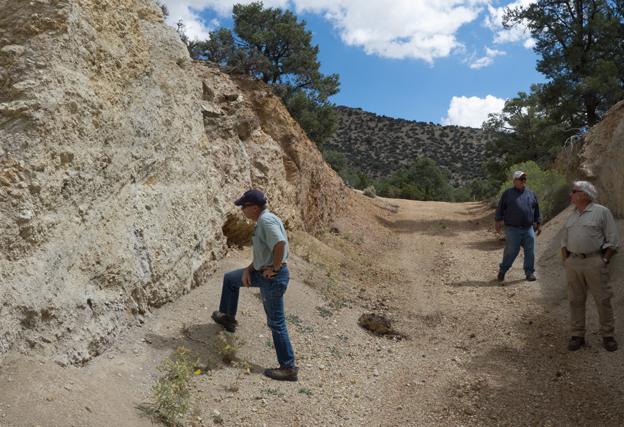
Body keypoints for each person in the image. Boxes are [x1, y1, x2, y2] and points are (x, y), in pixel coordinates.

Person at [211, 189, 298, 381]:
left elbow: (280, 244)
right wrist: (249, 269)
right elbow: (265, 251)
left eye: (244, 206)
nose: (242, 210)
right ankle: (228, 318)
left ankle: (289, 367)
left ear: (255, 207)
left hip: (273, 278)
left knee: (276, 323)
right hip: (261, 272)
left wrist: (275, 269)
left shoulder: (266, 221)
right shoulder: (264, 220)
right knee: (231, 279)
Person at [561, 181, 620, 352]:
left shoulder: (601, 212)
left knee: (602, 299)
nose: (570, 194)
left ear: (585, 195)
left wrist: (604, 260)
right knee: (575, 300)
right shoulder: (571, 215)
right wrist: (567, 260)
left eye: (574, 191)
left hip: (595, 261)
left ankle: (608, 335)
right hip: (573, 262)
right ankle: (577, 335)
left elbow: (613, 241)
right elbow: (564, 241)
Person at [495, 171, 542, 283]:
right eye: (521, 179)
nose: (523, 181)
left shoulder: (531, 194)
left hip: (528, 228)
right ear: (514, 181)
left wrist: (538, 224)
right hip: (512, 229)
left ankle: (529, 272)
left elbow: (537, 210)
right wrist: (497, 222)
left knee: (530, 251)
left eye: (524, 179)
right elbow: (500, 208)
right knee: (511, 251)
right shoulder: (507, 194)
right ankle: (503, 270)